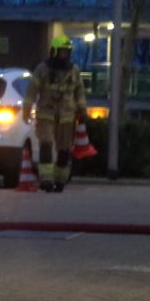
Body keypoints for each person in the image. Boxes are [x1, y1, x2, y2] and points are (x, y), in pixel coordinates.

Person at [29, 37, 86, 193]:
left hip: (67, 115)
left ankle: (60, 180)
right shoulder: (42, 69)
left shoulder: (74, 70)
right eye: (62, 52)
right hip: (46, 113)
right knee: (46, 144)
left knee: (64, 150)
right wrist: (27, 108)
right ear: (54, 52)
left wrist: (82, 108)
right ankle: (46, 179)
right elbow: (32, 90)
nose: (65, 55)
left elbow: (79, 91)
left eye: (67, 52)